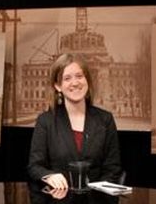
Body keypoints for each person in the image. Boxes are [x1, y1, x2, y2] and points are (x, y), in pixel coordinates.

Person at [27, 53, 122, 189]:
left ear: (87, 80)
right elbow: (35, 166)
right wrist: (49, 176)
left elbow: (113, 169)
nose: (75, 83)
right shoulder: (45, 121)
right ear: (58, 86)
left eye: (79, 76)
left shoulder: (105, 120)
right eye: (67, 78)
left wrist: (96, 198)